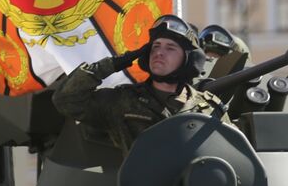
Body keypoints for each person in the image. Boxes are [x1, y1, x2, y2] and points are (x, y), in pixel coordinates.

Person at [51, 14, 226, 159]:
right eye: (155, 46)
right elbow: (66, 100)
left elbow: (232, 153)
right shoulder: (122, 100)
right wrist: (115, 63)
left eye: (170, 48)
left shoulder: (208, 108)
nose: (159, 52)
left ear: (188, 59)